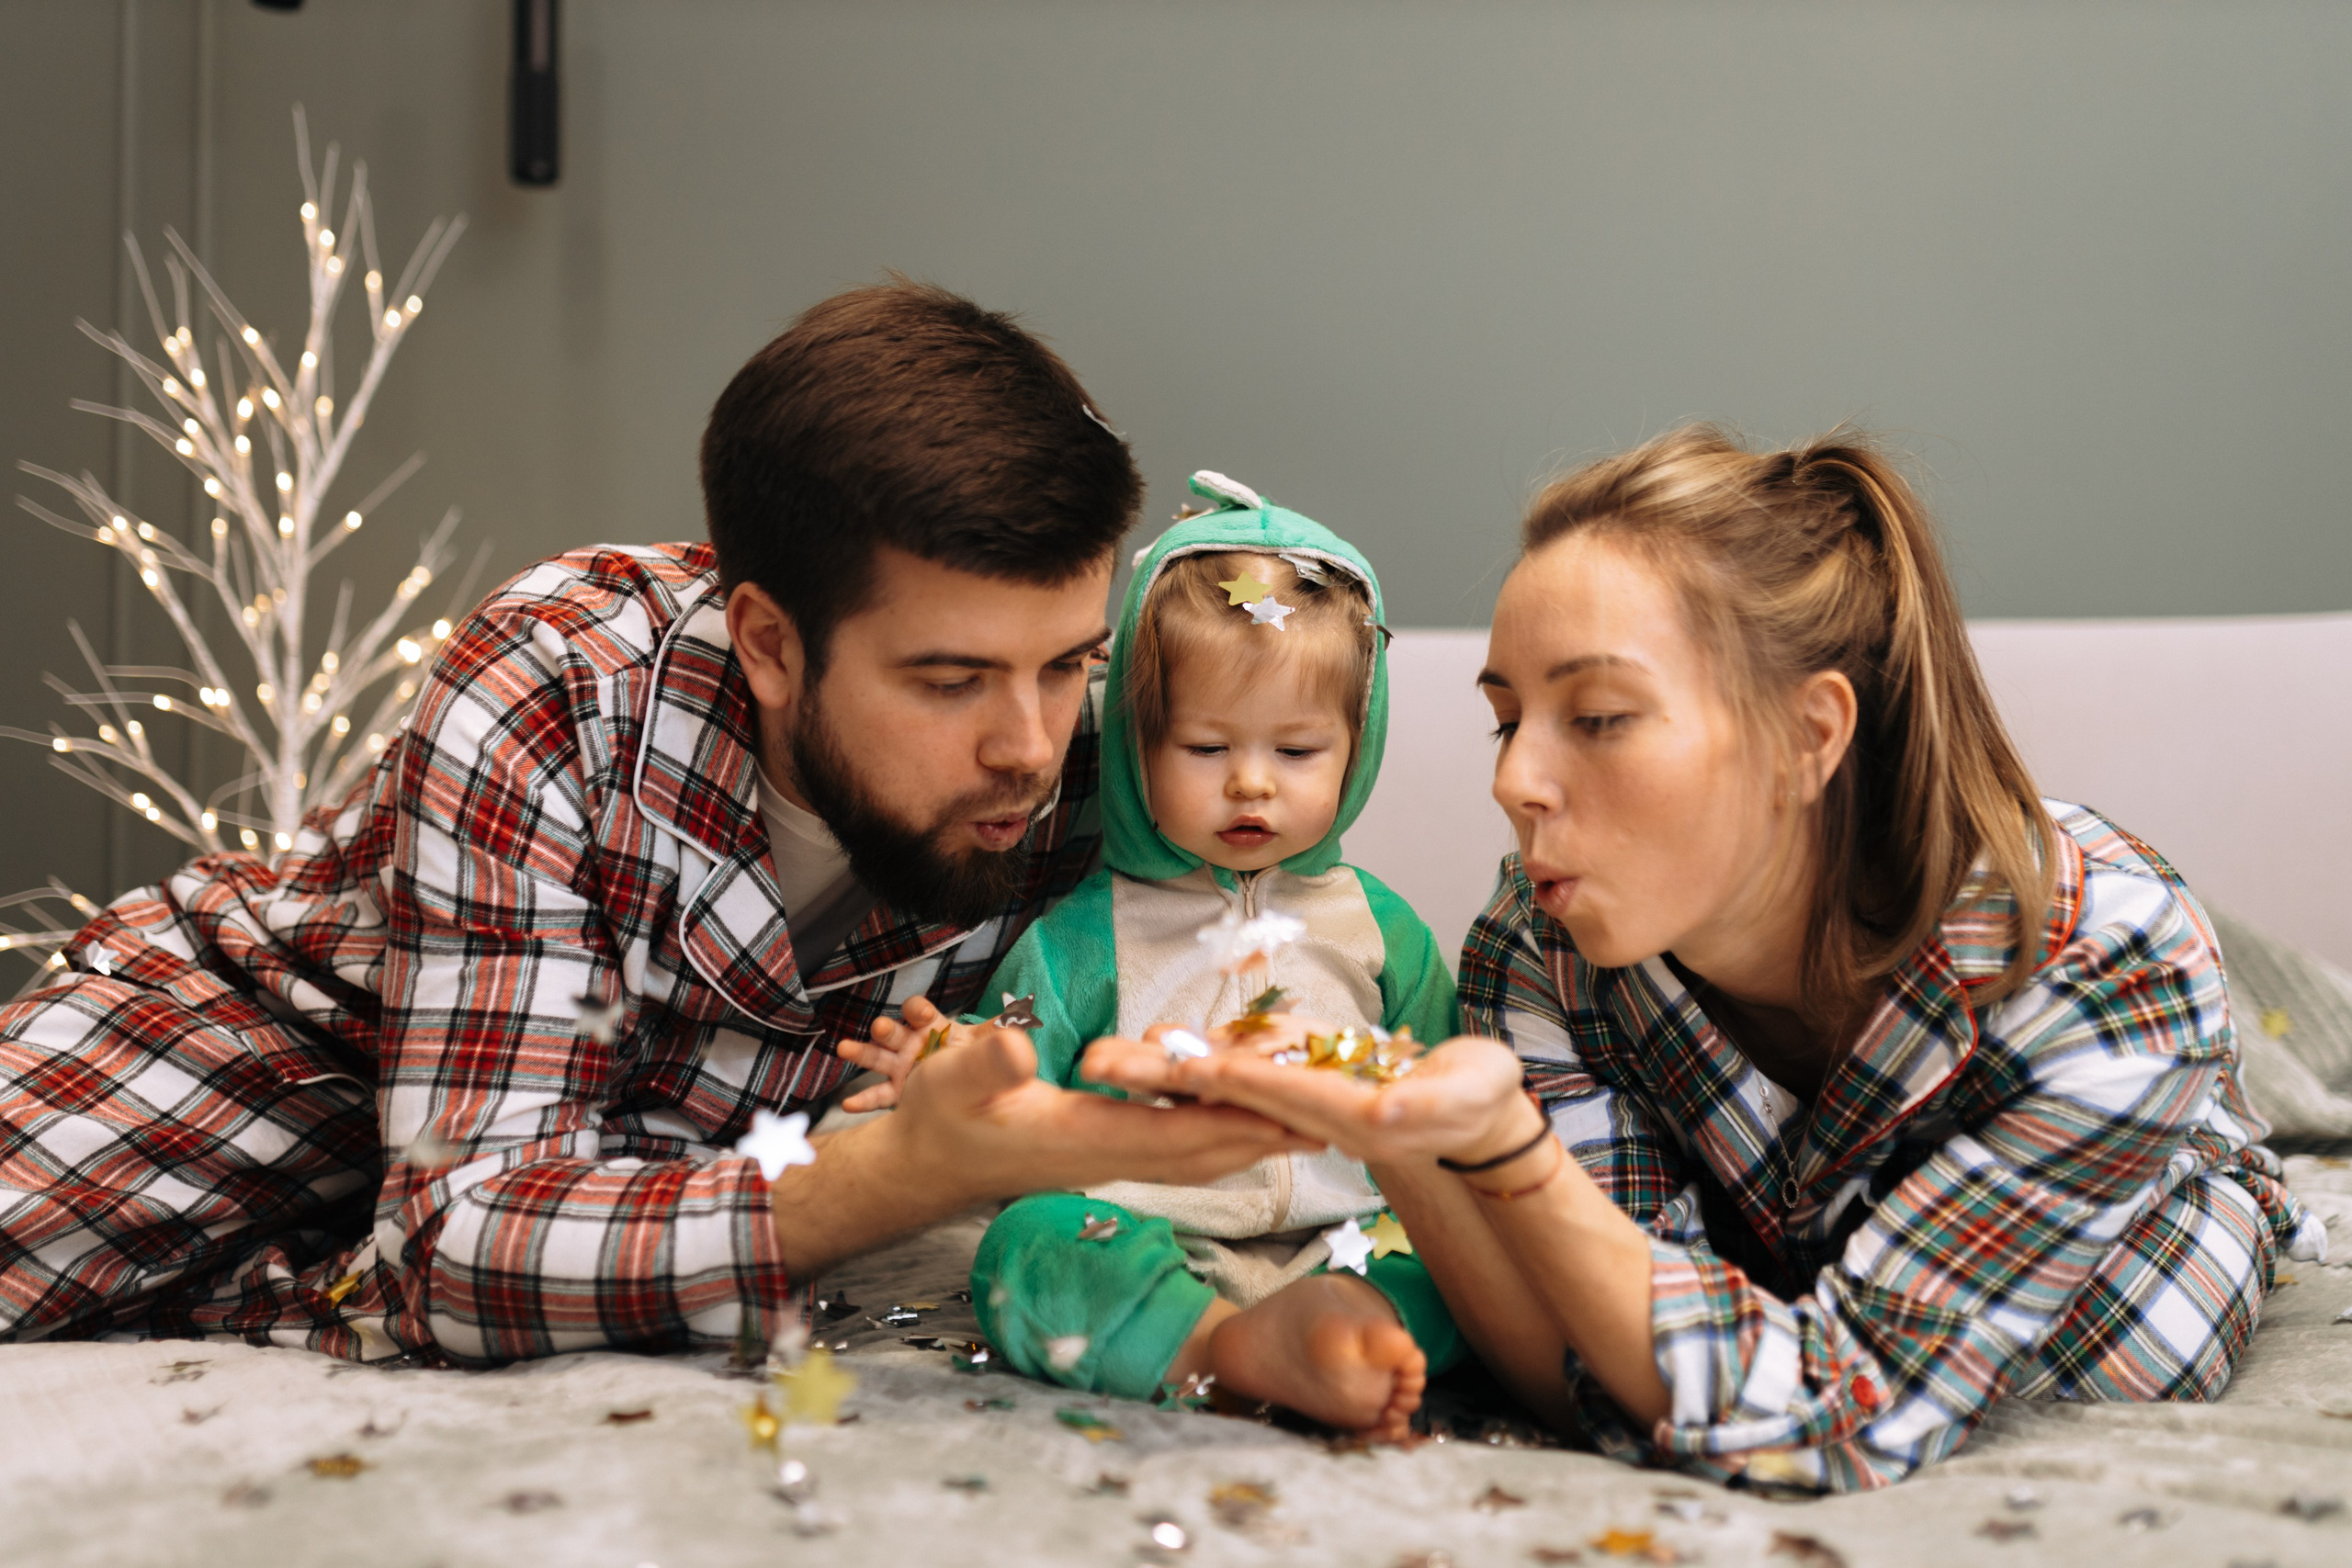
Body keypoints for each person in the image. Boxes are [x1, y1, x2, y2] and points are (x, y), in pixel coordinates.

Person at [0, 282, 1304, 1363]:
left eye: (1068, 661)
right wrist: (905, 1170)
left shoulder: (1119, 745)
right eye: (951, 680)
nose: (1031, 743)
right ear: (771, 643)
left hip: (615, 1177)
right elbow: (462, 1232)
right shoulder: (562, 681)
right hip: (264, 1055)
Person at [1084, 426, 2324, 1489]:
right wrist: (1410, 1142)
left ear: (1806, 733)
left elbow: (1835, 1414)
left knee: (2124, 1351)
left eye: (1600, 716)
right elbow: (1585, 1375)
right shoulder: (1538, 947)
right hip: (1753, 1284)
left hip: (2100, 1239)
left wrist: (1522, 1166)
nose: (1513, 780)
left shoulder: (2103, 951)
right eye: (1505, 715)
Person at [842, 473, 1460, 1438]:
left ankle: (1348, 1331)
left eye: (1297, 752)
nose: (1250, 784)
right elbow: (1011, 1077)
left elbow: (1448, 1096)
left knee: (1466, 1253)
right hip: (1147, 1238)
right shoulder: (1086, 934)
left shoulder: (1382, 930)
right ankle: (1219, 1346)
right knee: (1027, 1246)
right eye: (1206, 748)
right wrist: (947, 1070)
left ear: (1356, 745)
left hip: (1347, 1236)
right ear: (1138, 743)